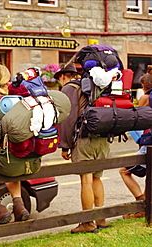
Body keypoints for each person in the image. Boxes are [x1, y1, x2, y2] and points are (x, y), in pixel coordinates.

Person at [55, 62, 109, 233]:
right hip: (102, 137)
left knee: (86, 179)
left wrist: (65, 145)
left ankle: (88, 223)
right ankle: (101, 219)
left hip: (84, 138)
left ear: (63, 76)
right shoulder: (92, 84)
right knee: (97, 178)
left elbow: (68, 119)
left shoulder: (69, 88)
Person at [0, 64, 30, 224]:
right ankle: (19, 204)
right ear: (8, 80)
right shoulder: (21, 101)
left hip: (8, 159)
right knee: (11, 166)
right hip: (25, 155)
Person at [119, 69, 152, 219]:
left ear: (144, 86)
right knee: (149, 176)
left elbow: (136, 118)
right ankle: (144, 207)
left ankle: (141, 203)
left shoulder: (146, 98)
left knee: (124, 171)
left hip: (149, 143)